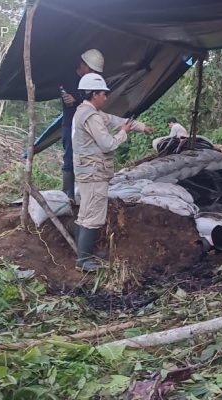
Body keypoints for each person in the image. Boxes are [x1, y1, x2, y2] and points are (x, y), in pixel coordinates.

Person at [71, 73, 153, 272]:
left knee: (85, 213)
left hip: (88, 171)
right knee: (94, 216)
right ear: (94, 94)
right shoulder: (91, 116)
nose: (106, 98)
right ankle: (83, 261)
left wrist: (141, 127)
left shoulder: (87, 112)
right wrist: (123, 132)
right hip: (94, 172)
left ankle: (85, 252)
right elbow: (107, 144)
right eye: (103, 94)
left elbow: (116, 120)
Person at [60, 49, 105, 202]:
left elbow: (95, 101)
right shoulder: (67, 77)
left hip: (87, 124)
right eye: (91, 69)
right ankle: (68, 195)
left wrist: (78, 99)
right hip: (70, 124)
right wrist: (72, 99)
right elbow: (69, 98)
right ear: (83, 64)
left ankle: (87, 193)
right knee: (69, 159)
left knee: (90, 157)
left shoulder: (94, 81)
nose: (92, 73)